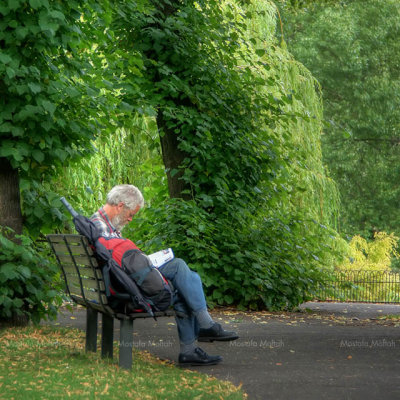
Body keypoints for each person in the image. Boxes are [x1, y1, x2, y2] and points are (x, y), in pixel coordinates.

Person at [91, 184, 239, 366]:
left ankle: (193, 345)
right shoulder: (100, 227)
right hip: (123, 289)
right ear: (120, 206)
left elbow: (116, 259)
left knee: (185, 277)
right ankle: (203, 329)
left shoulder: (101, 224)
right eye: (131, 214)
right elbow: (119, 263)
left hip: (117, 283)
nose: (130, 219)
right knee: (179, 269)